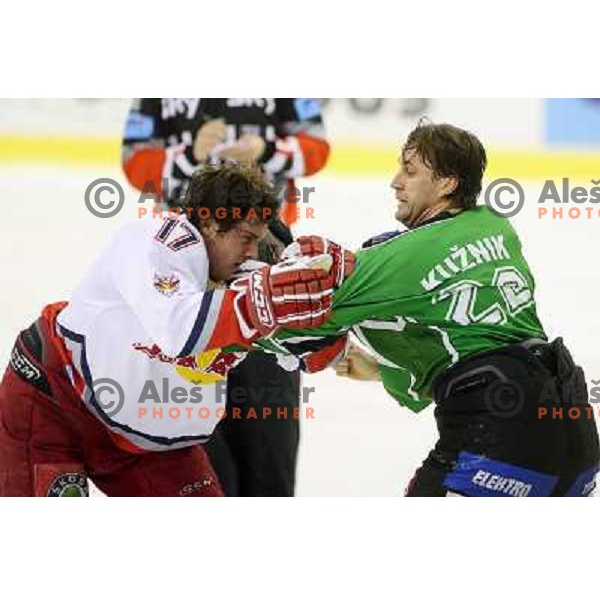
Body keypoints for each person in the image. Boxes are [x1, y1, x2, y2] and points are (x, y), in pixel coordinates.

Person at [266, 122, 600, 497]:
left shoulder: (408, 253)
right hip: (578, 439)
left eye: (410, 171)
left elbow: (294, 312)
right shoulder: (496, 226)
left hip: (499, 442)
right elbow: (470, 335)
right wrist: (381, 368)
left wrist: (216, 306)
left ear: (447, 184)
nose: (395, 181)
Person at [0, 163, 341, 497]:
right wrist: (266, 299)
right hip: (54, 406)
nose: (252, 253)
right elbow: (180, 329)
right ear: (209, 223)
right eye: (246, 238)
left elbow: (311, 346)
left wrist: (330, 329)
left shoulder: (236, 271)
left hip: (148, 443)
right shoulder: (153, 240)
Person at [121, 98, 330, 496]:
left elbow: (317, 149)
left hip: (266, 257)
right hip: (188, 266)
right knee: (197, 450)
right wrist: (190, 154)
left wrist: (265, 151)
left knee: (270, 445)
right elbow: (135, 164)